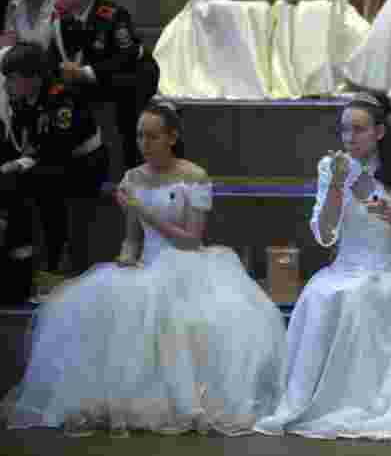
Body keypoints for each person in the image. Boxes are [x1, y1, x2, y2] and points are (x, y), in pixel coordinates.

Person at [4, 100, 287, 435]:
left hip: (188, 264)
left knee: (188, 316)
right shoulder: (132, 178)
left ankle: (189, 399)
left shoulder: (192, 177)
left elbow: (191, 241)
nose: (144, 143)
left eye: (152, 136)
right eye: (140, 136)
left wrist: (143, 210)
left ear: (171, 137)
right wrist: (126, 258)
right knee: (105, 304)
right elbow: (131, 239)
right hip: (149, 263)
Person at [255, 92, 391, 439]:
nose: (350, 138)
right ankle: (327, 400)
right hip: (346, 267)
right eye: (344, 131)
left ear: (379, 131)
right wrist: (336, 186)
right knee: (327, 296)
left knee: (386, 302)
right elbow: (324, 234)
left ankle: (379, 400)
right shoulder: (331, 167)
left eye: (359, 130)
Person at [0, 43, 108, 282]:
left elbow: (59, 146)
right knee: (17, 181)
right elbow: (25, 139)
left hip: (85, 162)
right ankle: (19, 256)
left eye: (13, 78)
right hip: (51, 158)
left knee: (42, 184)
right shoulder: (20, 99)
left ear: (35, 77)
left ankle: (53, 263)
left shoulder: (61, 98)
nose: (7, 85)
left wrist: (20, 164)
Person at [50, 0, 160, 170]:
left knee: (126, 96)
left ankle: (133, 168)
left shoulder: (112, 15)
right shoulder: (63, 20)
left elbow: (127, 56)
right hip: (91, 79)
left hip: (132, 75)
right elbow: (54, 58)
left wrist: (85, 72)